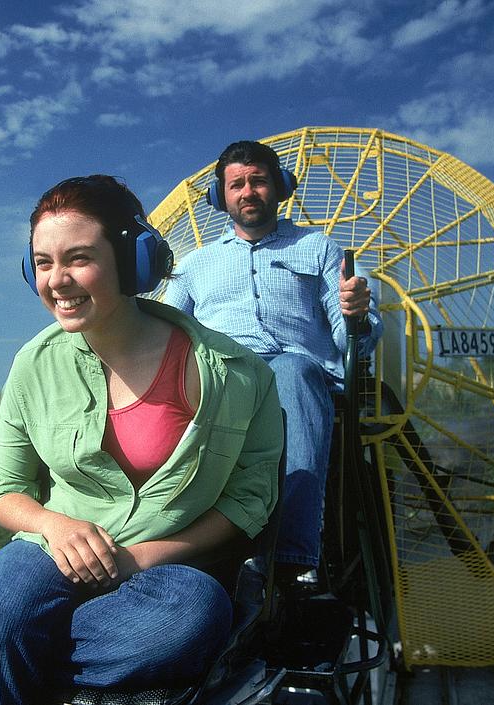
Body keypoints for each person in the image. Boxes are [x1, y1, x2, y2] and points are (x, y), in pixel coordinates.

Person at [0, 175, 284, 704]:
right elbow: (4, 490)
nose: (57, 280)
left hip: (164, 574)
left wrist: (139, 558)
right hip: (48, 552)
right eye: (43, 263)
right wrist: (55, 524)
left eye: (77, 258)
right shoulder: (34, 363)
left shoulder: (239, 374)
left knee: (196, 614)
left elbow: (249, 502)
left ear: (133, 260)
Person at [163, 140, 382, 584]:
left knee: (293, 371)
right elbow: (168, 337)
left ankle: (292, 557)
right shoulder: (194, 266)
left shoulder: (318, 248)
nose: (248, 191)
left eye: (258, 181)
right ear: (220, 196)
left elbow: (351, 341)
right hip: (223, 376)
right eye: (236, 184)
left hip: (297, 372)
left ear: (278, 188)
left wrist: (356, 316)